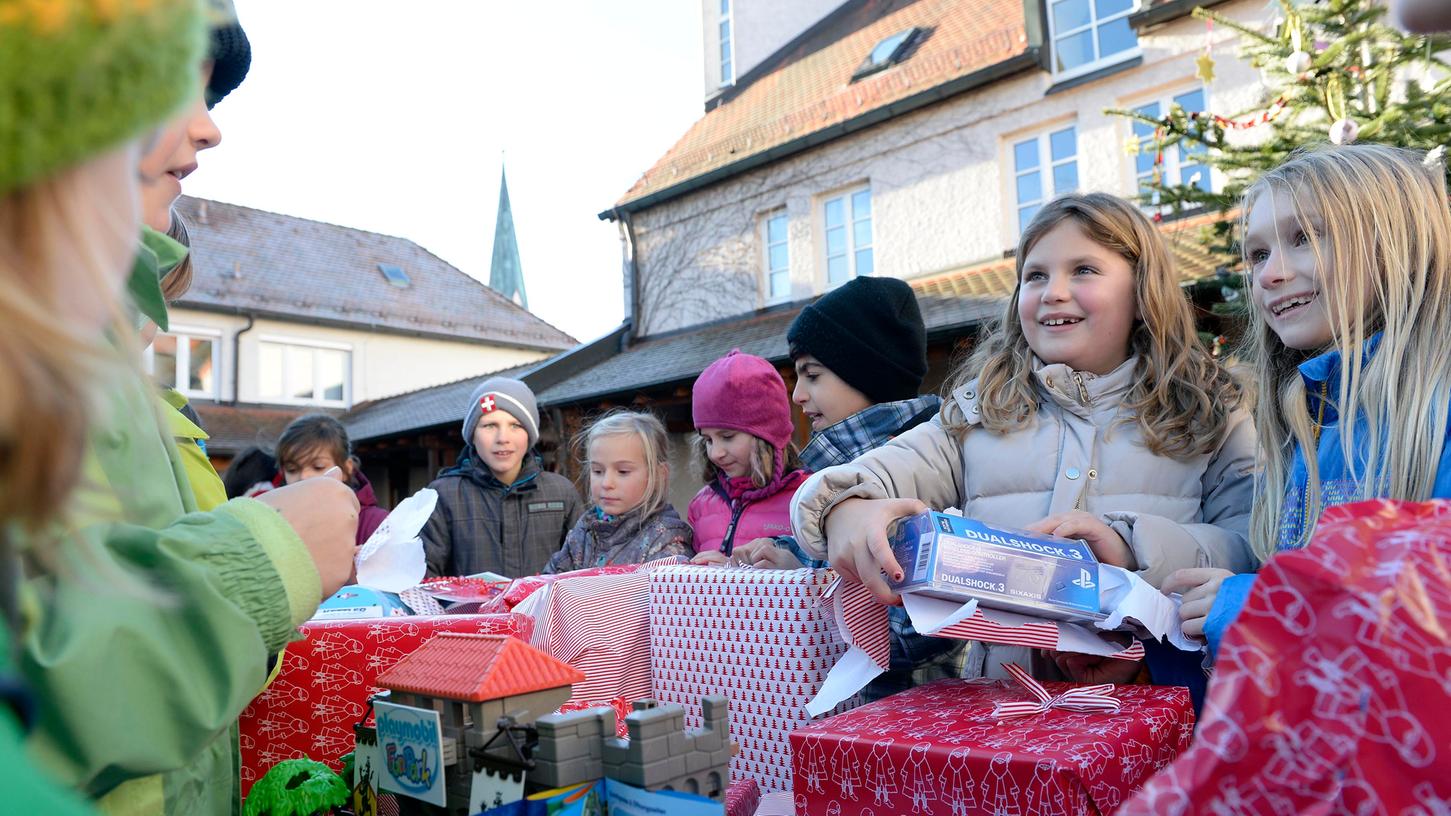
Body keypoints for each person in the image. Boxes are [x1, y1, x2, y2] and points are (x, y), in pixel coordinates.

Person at [791, 192, 1257, 684]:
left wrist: (1132, 545)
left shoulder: (1213, 409)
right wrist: (844, 509)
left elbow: (1252, 545)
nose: (1053, 291)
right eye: (1035, 275)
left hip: (1160, 700)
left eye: (1084, 270)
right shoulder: (979, 412)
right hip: (1006, 702)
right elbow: (871, 475)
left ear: (1142, 294)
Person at [1169, 143, 1451, 658]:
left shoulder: (1438, 411)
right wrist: (1167, 644)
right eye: (1257, 254)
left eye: (1306, 238)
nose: (1270, 274)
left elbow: (1430, 615)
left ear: (1399, 244)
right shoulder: (1309, 416)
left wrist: (1251, 606)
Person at [421, 377, 583, 577]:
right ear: (472, 434)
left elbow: (581, 570)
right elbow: (424, 576)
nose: (503, 438)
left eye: (516, 425)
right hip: (467, 610)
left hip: (543, 609)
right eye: (489, 426)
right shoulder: (442, 496)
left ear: (530, 435)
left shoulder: (561, 492)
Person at [686, 350, 810, 560]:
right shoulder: (702, 505)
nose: (715, 453)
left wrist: (731, 573)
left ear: (768, 433)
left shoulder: (807, 498)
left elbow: (822, 581)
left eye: (727, 436)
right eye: (708, 440)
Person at [543, 410, 693, 572]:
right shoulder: (584, 531)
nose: (607, 483)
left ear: (658, 475)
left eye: (623, 472)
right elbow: (550, 581)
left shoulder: (666, 540)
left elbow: (661, 595)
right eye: (598, 471)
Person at [277, 414, 390, 546]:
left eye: (318, 467)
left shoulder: (377, 524)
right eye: (292, 469)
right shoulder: (274, 525)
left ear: (347, 468)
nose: (303, 477)